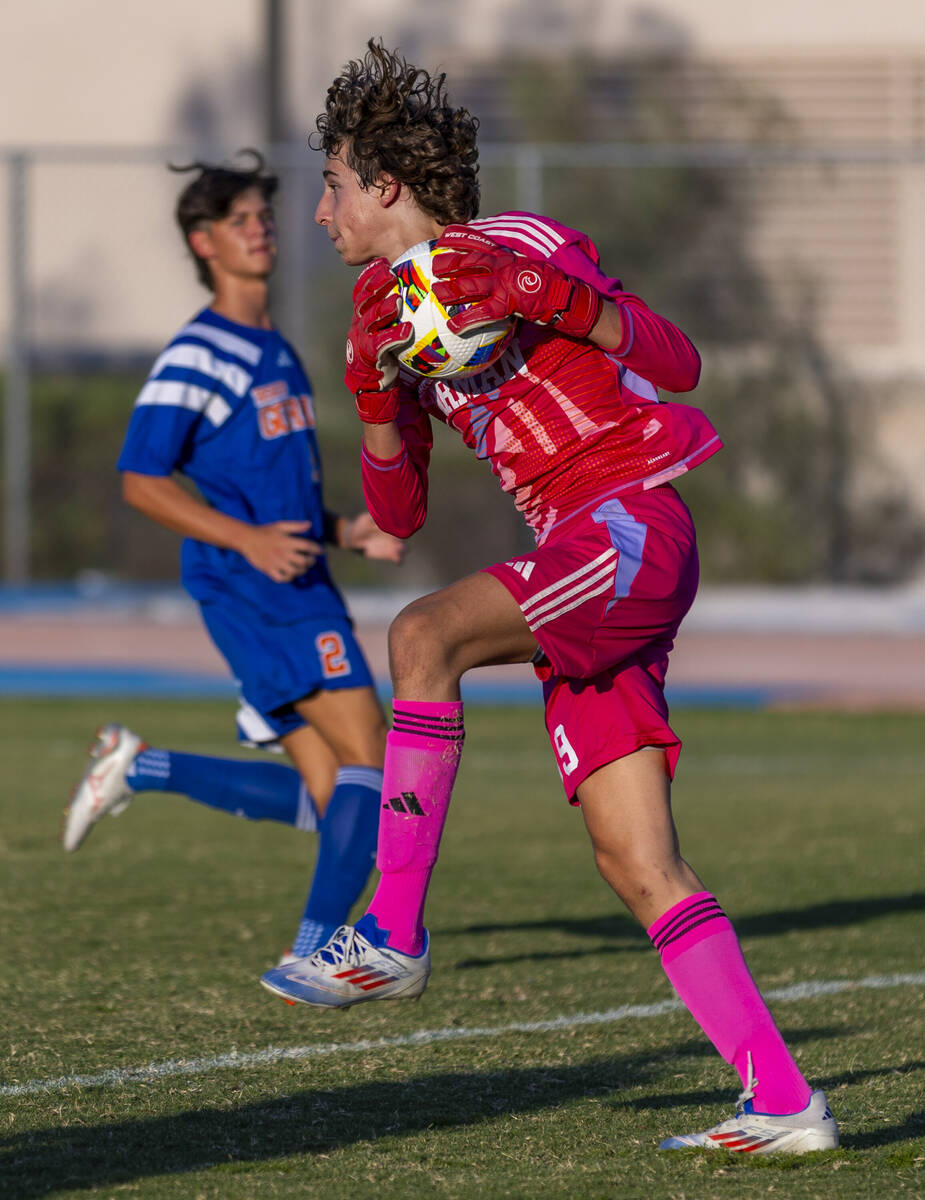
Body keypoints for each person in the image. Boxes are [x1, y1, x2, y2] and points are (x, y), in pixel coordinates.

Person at [259, 42, 839, 1155]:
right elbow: (402, 508)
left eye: (330, 183)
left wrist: (547, 295)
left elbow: (677, 361)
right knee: (636, 862)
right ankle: (782, 1102)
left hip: (628, 524)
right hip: (581, 554)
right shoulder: (381, 313)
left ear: (385, 185)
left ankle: (388, 930)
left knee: (422, 632)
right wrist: (375, 394)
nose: (320, 211)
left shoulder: (513, 245)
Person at [63, 150, 404, 962]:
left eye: (264, 218)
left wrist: (341, 531)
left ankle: (144, 769)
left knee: (335, 797)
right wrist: (249, 541)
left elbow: (262, 489)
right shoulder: (195, 354)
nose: (260, 232)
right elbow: (141, 481)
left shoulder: (275, 349)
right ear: (202, 244)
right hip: (256, 589)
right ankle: (316, 952)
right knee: (377, 763)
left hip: (293, 576)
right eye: (238, 222)